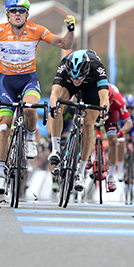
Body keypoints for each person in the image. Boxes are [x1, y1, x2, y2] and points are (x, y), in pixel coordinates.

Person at [0, 0, 74, 194]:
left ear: (27, 14)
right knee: (3, 128)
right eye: (13, 10)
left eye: (21, 11)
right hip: (6, 83)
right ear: (7, 14)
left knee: (29, 109)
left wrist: (71, 30)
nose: (17, 14)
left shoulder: (37, 30)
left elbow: (63, 43)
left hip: (28, 80)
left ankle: (29, 141)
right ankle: (0, 175)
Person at [48, 49, 110, 192]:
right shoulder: (64, 65)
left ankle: (80, 172)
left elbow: (104, 97)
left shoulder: (97, 67)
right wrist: (53, 107)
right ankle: (56, 149)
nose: (77, 81)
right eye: (74, 77)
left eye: (79, 77)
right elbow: (54, 93)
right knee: (58, 105)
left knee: (88, 124)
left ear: (87, 71)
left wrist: (104, 110)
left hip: (91, 87)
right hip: (67, 85)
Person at [103, 84, 133, 192]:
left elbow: (129, 123)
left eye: (109, 100)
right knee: (87, 128)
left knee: (113, 139)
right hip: (96, 108)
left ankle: (111, 176)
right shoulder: (94, 94)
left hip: (112, 113)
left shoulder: (117, 99)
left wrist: (120, 133)